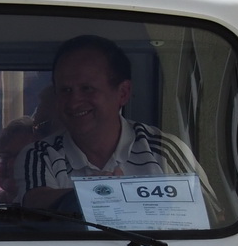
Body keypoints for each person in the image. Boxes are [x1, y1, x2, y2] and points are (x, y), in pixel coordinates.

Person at [14, 35, 204, 209]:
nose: (73, 102)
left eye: (87, 89)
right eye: (65, 90)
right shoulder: (40, 154)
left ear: (123, 93)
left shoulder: (164, 150)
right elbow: (34, 203)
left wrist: (103, 193)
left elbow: (211, 217)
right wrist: (99, 191)